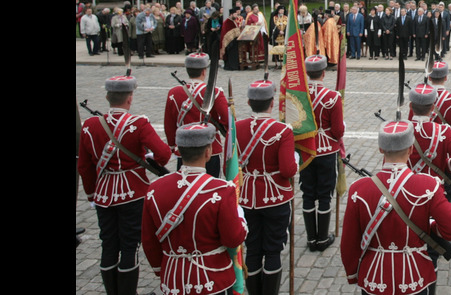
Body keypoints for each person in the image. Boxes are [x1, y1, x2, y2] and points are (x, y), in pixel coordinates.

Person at [340, 118, 451, 295]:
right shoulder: (428, 185)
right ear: (411, 148)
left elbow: (349, 242)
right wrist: (429, 228)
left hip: (374, 278)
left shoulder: (358, 190)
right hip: (415, 278)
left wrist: (353, 274)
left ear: (380, 149)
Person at [77, 75, 172, 295]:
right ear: (130, 98)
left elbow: (84, 166)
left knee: (108, 244)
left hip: (103, 195)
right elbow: (164, 154)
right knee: (130, 246)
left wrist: (92, 195)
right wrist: (145, 155)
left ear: (108, 97)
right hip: (133, 193)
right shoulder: (138, 124)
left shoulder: (90, 125)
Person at [141, 124, 248, 295]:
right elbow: (233, 238)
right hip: (213, 280)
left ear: (179, 152)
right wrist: (241, 218)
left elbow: (148, 241)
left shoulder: (155, 189)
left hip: (173, 278)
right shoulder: (222, 190)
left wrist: (162, 270)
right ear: (208, 153)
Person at [236, 79, 297, 293]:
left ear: (248, 102)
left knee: (252, 249)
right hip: (275, 197)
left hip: (246, 198)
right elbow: (288, 170)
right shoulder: (283, 131)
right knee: (272, 250)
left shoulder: (236, 128)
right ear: (272, 103)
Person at [302, 55, 345, 251]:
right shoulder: (333, 97)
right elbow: (337, 132)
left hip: (306, 150)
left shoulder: (299, 96)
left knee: (308, 193)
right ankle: (322, 239)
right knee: (325, 194)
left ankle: (311, 239)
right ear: (324, 72)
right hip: (327, 150)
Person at [164, 52, 230, 177]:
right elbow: (228, 121)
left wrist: (173, 145)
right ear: (204, 71)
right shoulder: (215, 92)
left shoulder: (173, 93)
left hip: (184, 149)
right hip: (209, 150)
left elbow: (169, 124)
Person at [409, 61, 451, 147]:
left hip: (425, 147)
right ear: (446, 77)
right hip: (447, 146)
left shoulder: (418, 97)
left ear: (429, 77)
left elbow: (412, 125)